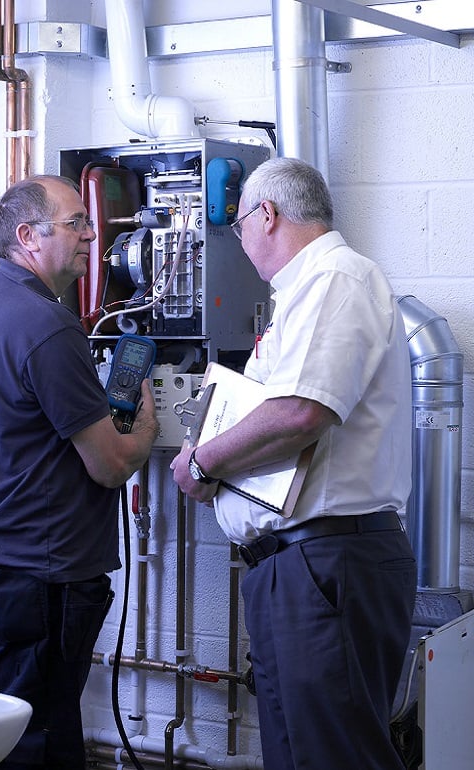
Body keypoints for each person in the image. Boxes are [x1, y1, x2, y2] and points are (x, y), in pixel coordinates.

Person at [171, 157, 417, 770]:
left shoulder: (337, 279)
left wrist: (202, 464)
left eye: (237, 226)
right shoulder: (306, 292)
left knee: (334, 758)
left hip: (326, 563)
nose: (239, 241)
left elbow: (301, 412)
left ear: (267, 215)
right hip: (300, 565)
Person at [0, 174, 158, 769]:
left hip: (0, 561)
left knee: (21, 723)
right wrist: (146, 427)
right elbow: (110, 464)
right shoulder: (49, 326)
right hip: (48, 570)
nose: (91, 234)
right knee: (44, 737)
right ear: (28, 236)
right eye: (76, 223)